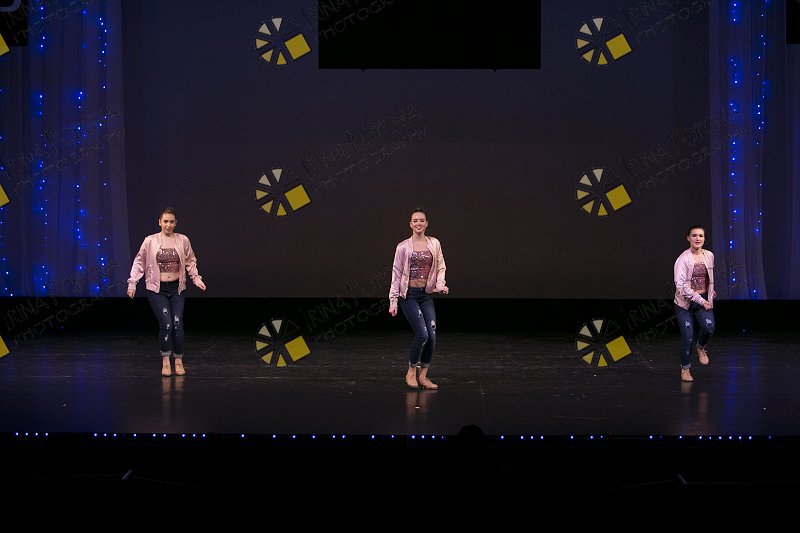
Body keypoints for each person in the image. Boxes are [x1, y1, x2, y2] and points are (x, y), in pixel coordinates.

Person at [127, 207, 206, 376]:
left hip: (177, 289)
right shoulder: (150, 241)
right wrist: (132, 283)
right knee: (167, 324)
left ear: (176, 223)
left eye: (171, 222)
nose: (168, 225)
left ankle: (178, 360)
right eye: (165, 221)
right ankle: (165, 361)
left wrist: (196, 278)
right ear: (159, 222)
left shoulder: (182, 240)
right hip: (157, 290)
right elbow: (139, 262)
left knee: (177, 323)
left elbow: (190, 261)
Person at [389, 208, 448, 390]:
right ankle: (411, 371)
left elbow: (440, 266)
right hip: (409, 296)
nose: (418, 223)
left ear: (427, 223)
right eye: (415, 221)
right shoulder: (403, 247)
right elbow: (396, 274)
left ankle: (423, 376)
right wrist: (393, 301)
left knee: (432, 336)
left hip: (425, 295)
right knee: (422, 334)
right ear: (410, 224)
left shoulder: (434, 243)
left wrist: (440, 285)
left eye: (422, 220)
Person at [674, 225, 716, 382]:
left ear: (704, 238)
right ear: (688, 238)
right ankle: (685, 369)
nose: (698, 238)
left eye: (701, 235)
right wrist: (701, 300)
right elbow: (681, 286)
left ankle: (701, 347)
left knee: (709, 327)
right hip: (685, 302)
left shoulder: (709, 255)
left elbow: (708, 276)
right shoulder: (682, 259)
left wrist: (710, 291)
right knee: (687, 336)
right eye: (694, 235)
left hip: (703, 298)